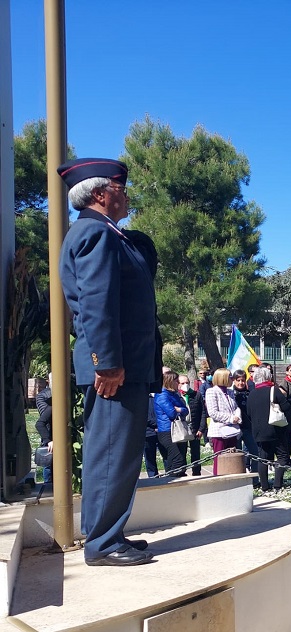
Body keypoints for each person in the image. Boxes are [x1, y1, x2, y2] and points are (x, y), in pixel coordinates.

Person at [58, 157, 158, 566]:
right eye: (121, 186)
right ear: (102, 193)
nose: (127, 193)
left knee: (118, 451)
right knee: (113, 450)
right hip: (115, 368)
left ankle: (109, 532)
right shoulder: (96, 234)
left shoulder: (107, 234)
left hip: (121, 364)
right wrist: (107, 363)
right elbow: (96, 304)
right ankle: (102, 543)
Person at [248, 365, 291, 489]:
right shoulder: (273, 390)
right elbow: (286, 408)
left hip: (259, 432)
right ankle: (278, 484)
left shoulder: (251, 393)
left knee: (263, 458)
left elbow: (249, 413)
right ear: (268, 377)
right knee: (283, 456)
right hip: (276, 429)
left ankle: (264, 486)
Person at [205, 368, 242, 473]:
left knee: (232, 457)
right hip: (219, 432)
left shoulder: (230, 392)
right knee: (220, 458)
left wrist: (237, 416)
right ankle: (218, 478)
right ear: (223, 378)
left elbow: (235, 407)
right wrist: (230, 418)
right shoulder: (211, 391)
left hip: (232, 430)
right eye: (230, 377)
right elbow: (213, 412)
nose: (232, 379)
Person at [154, 370, 189, 478]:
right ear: (170, 381)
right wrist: (179, 410)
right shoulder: (161, 395)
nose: (178, 384)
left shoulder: (174, 394)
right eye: (176, 381)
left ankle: (173, 477)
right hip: (167, 431)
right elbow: (172, 413)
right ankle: (172, 479)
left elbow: (185, 410)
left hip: (177, 429)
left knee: (178, 458)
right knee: (176, 457)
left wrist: (179, 409)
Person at [177, 373, 206, 475]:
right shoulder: (176, 396)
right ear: (178, 384)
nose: (185, 384)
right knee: (182, 452)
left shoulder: (196, 394)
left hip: (195, 427)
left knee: (195, 453)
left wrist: (201, 429)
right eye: (182, 383)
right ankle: (182, 472)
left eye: (187, 382)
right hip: (182, 427)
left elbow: (202, 412)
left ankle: (196, 472)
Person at [232, 369, 259, 477]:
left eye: (242, 380)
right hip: (235, 428)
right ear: (234, 380)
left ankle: (255, 478)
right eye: (238, 380)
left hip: (248, 428)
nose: (240, 383)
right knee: (238, 455)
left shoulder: (249, 393)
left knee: (255, 453)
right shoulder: (231, 394)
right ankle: (240, 477)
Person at [34, 374, 54, 484]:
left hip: (52, 437)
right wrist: (48, 440)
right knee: (49, 467)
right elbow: (41, 422)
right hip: (50, 436)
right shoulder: (45, 397)